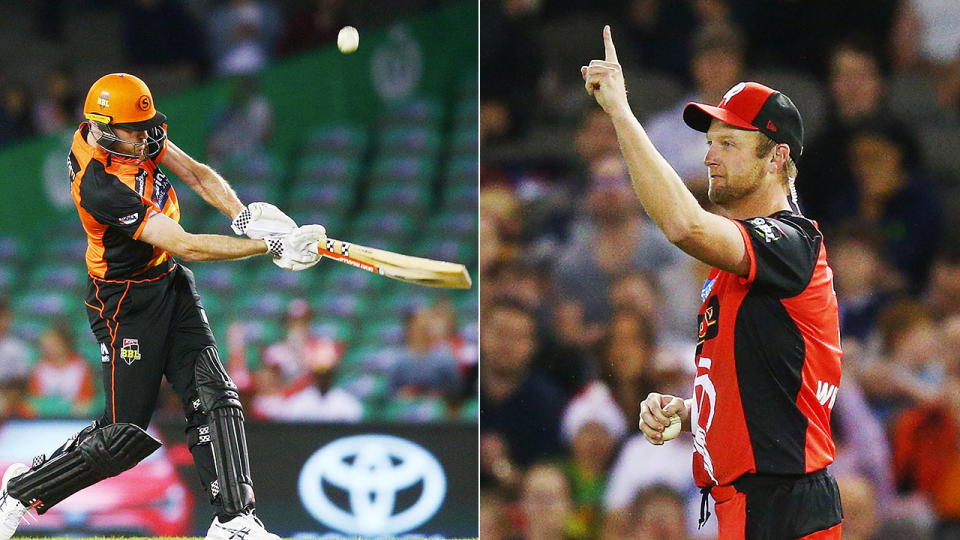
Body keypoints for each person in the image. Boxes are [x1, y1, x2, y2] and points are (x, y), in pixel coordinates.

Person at [0, 73, 326, 540]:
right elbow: (186, 243)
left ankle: (235, 522)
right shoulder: (99, 185)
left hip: (167, 282)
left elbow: (194, 172)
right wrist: (270, 246)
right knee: (122, 438)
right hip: (125, 304)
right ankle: (20, 492)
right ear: (104, 129)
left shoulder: (136, 133)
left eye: (147, 125)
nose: (146, 137)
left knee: (217, 397)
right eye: (134, 130)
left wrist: (241, 215)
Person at [582, 27, 843, 538]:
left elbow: (683, 225)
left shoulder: (790, 242)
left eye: (729, 143)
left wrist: (620, 113)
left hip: (781, 506)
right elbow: (773, 387)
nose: (709, 156)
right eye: (709, 142)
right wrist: (693, 411)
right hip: (753, 503)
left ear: (778, 158)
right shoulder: (742, 263)